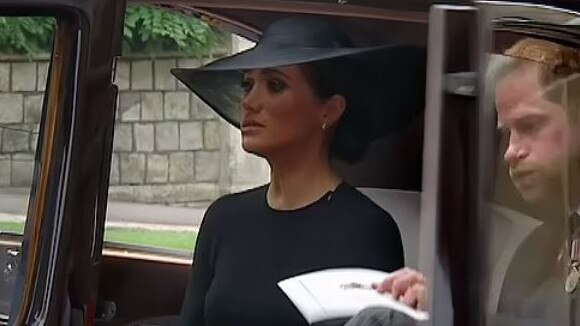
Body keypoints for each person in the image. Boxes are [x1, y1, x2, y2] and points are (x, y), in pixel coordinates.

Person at [170, 18, 426, 326]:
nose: (249, 101)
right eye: (247, 84)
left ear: (329, 110)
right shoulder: (223, 219)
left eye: (275, 85)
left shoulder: (367, 230)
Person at [347, 38, 580, 325]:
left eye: (530, 126)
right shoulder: (541, 244)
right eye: (507, 133)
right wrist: (438, 303)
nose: (510, 152)